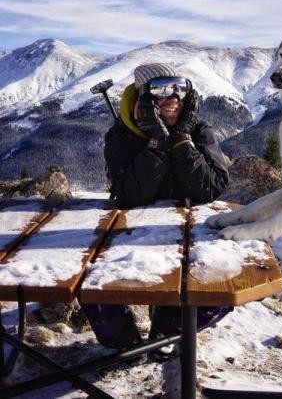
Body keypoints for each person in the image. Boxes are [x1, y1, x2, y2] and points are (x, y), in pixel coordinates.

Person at [82, 63, 231, 358]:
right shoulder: (121, 136)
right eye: (161, 90)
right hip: (129, 234)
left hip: (184, 234)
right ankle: (123, 342)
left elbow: (210, 189)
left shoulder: (198, 131)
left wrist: (181, 140)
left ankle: (167, 331)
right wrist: (156, 144)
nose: (173, 97)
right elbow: (128, 197)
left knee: (222, 295)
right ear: (142, 98)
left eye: (179, 88)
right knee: (91, 286)